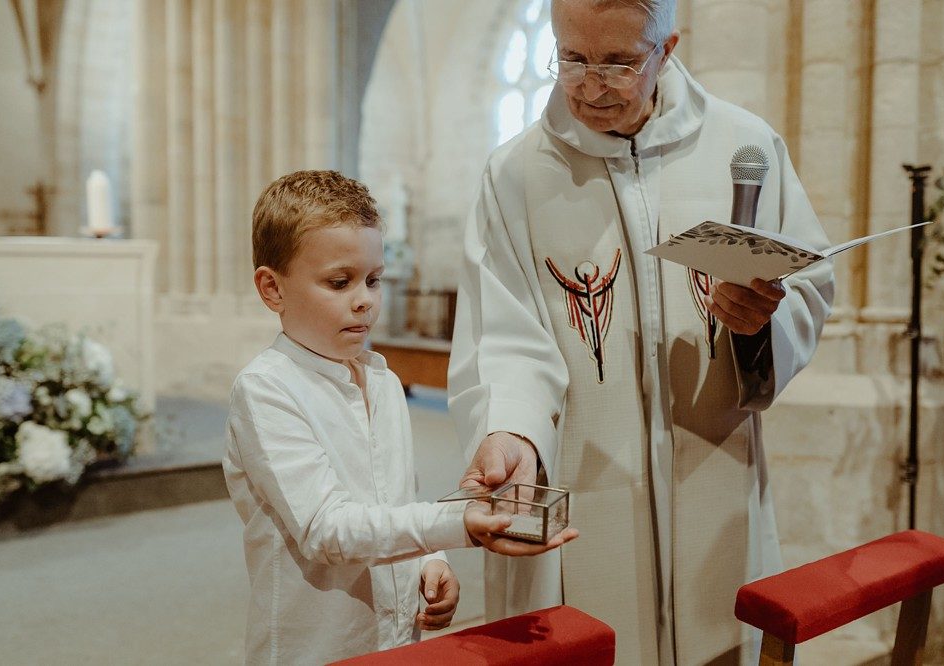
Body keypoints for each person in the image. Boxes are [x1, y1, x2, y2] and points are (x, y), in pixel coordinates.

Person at [448, 1, 834, 664]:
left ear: (668, 47)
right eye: (572, 59)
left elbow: (806, 283)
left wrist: (757, 328)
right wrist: (511, 433)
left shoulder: (745, 147)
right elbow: (504, 335)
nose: (592, 86)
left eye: (619, 63)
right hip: (581, 472)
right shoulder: (514, 174)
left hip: (714, 458)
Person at [223, 170, 577, 665]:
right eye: (339, 282)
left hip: (393, 637)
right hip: (315, 646)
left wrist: (431, 559)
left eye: (373, 279)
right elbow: (327, 528)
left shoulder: (385, 381)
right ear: (272, 289)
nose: (365, 298)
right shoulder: (267, 389)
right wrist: (457, 524)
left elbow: (397, 499)